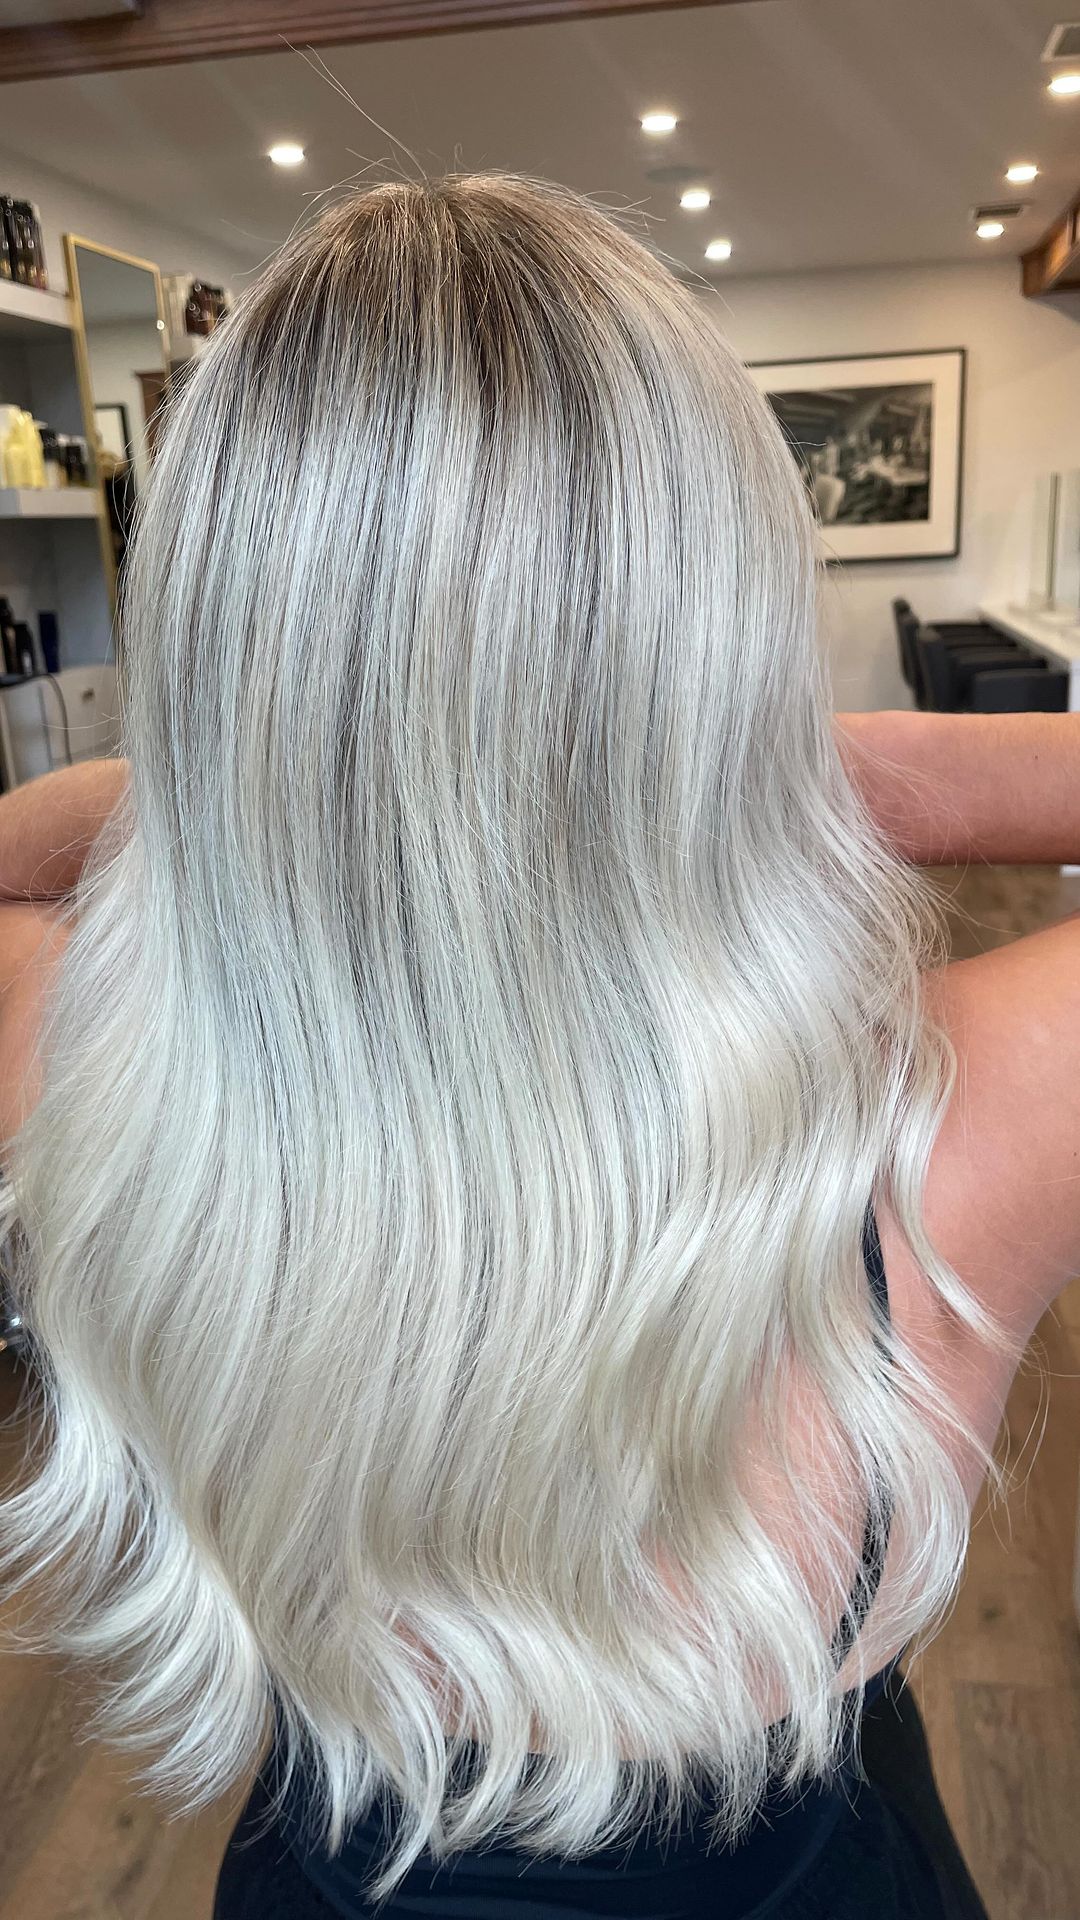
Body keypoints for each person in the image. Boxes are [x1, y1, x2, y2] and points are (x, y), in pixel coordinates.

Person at [0, 175, 1076, 1920]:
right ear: (720, 629)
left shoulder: (74, 1051)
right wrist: (732, 773)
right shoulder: (974, 1120)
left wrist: (261, 790)